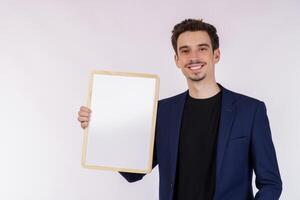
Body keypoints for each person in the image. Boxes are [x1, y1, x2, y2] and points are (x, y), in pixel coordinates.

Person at [77, 19, 282, 200]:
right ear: (177, 59)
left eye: (202, 48)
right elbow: (134, 173)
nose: (194, 57)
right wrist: (100, 130)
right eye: (185, 50)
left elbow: (271, 183)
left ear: (216, 55)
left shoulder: (250, 111)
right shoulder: (163, 112)